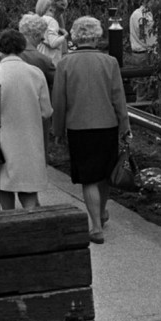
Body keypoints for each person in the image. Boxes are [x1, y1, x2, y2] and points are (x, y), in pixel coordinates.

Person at [51, 16, 131, 244]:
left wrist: (57, 131)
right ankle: (102, 212)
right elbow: (119, 99)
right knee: (105, 174)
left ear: (75, 36)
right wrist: (125, 127)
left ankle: (95, 225)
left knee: (88, 177)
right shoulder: (110, 62)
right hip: (107, 126)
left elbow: (60, 101)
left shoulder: (64, 64)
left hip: (79, 127)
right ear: (96, 36)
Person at [0, 30, 52, 211]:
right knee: (28, 191)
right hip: (30, 140)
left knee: (4, 185)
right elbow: (46, 112)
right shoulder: (35, 73)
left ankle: (8, 222)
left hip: (2, 140)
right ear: (22, 47)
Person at [17, 13, 56, 91]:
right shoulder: (44, 61)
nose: (43, 39)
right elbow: (59, 84)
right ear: (35, 36)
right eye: (41, 38)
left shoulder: (2, 55)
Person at [37, 0, 69, 65]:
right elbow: (53, 43)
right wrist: (65, 36)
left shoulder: (41, 19)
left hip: (40, 56)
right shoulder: (52, 22)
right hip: (51, 60)